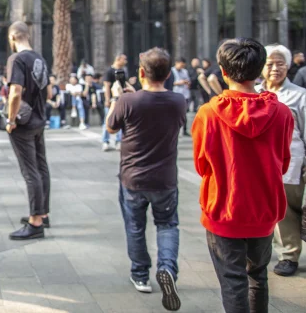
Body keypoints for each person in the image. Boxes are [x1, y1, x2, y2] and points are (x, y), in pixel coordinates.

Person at [192, 38, 293, 313]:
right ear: (260, 70)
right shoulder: (282, 113)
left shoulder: (207, 114)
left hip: (223, 207)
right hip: (264, 208)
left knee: (232, 280)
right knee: (258, 276)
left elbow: (202, 166)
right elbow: (283, 162)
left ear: (223, 72)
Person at [105, 48, 186, 311]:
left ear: (140, 73)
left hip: (133, 178)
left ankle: (141, 276)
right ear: (169, 73)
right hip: (165, 179)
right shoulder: (178, 101)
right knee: (167, 225)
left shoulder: (128, 102)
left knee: (135, 227)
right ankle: (167, 270)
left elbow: (110, 127)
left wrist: (117, 101)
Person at [259, 45, 306, 278]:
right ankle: (288, 255)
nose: (275, 68)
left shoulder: (300, 95)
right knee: (279, 213)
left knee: (291, 209)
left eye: (280, 63)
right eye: (269, 64)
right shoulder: (254, 93)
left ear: (288, 66)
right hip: (263, 165)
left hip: (293, 164)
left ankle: (289, 254)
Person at [5, 22, 50, 240]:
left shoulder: (17, 59)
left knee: (30, 172)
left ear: (13, 37)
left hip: (23, 124)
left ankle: (35, 222)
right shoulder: (39, 58)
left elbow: (15, 93)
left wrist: (10, 119)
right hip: (39, 121)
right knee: (41, 168)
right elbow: (48, 91)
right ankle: (43, 213)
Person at [102, 54, 129, 151]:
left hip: (121, 99)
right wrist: (107, 99)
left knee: (121, 121)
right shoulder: (109, 71)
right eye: (124, 59)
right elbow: (106, 86)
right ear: (118, 59)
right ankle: (105, 141)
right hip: (112, 99)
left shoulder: (124, 71)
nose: (126, 61)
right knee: (107, 120)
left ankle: (118, 141)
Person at [170, 58, 191, 136]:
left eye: (183, 65)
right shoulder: (172, 71)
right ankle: (175, 130)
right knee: (175, 113)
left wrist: (188, 83)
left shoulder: (185, 71)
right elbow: (171, 82)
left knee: (184, 113)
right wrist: (180, 82)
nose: (181, 67)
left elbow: (188, 80)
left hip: (185, 94)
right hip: (176, 93)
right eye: (181, 65)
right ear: (177, 63)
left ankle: (184, 130)